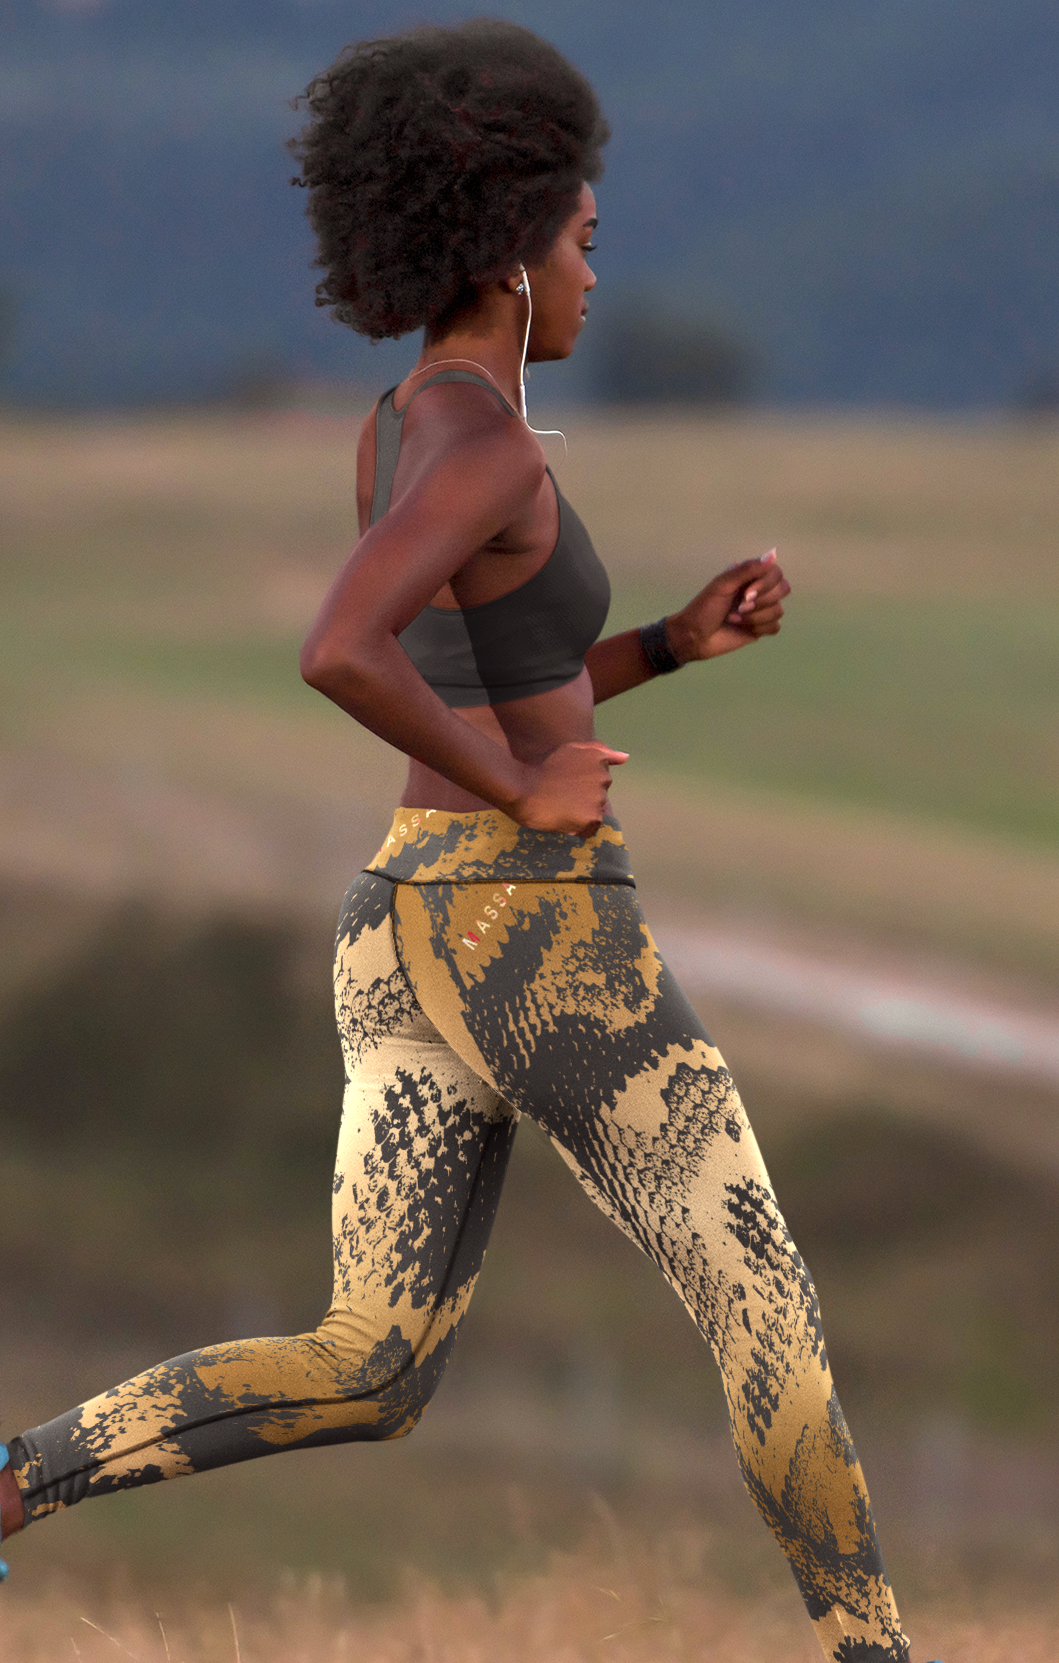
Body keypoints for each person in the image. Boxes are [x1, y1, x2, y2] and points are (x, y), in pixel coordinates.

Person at [0, 21, 931, 1663]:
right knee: (758, 1295)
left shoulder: (405, 423)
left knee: (370, 1359)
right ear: (511, 246)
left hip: (401, 925)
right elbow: (342, 645)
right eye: (581, 239)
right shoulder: (484, 440)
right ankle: (872, 1642)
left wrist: (662, 646)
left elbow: (484, 668)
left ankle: (12, 1487)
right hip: (531, 932)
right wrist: (523, 796)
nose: (588, 271)